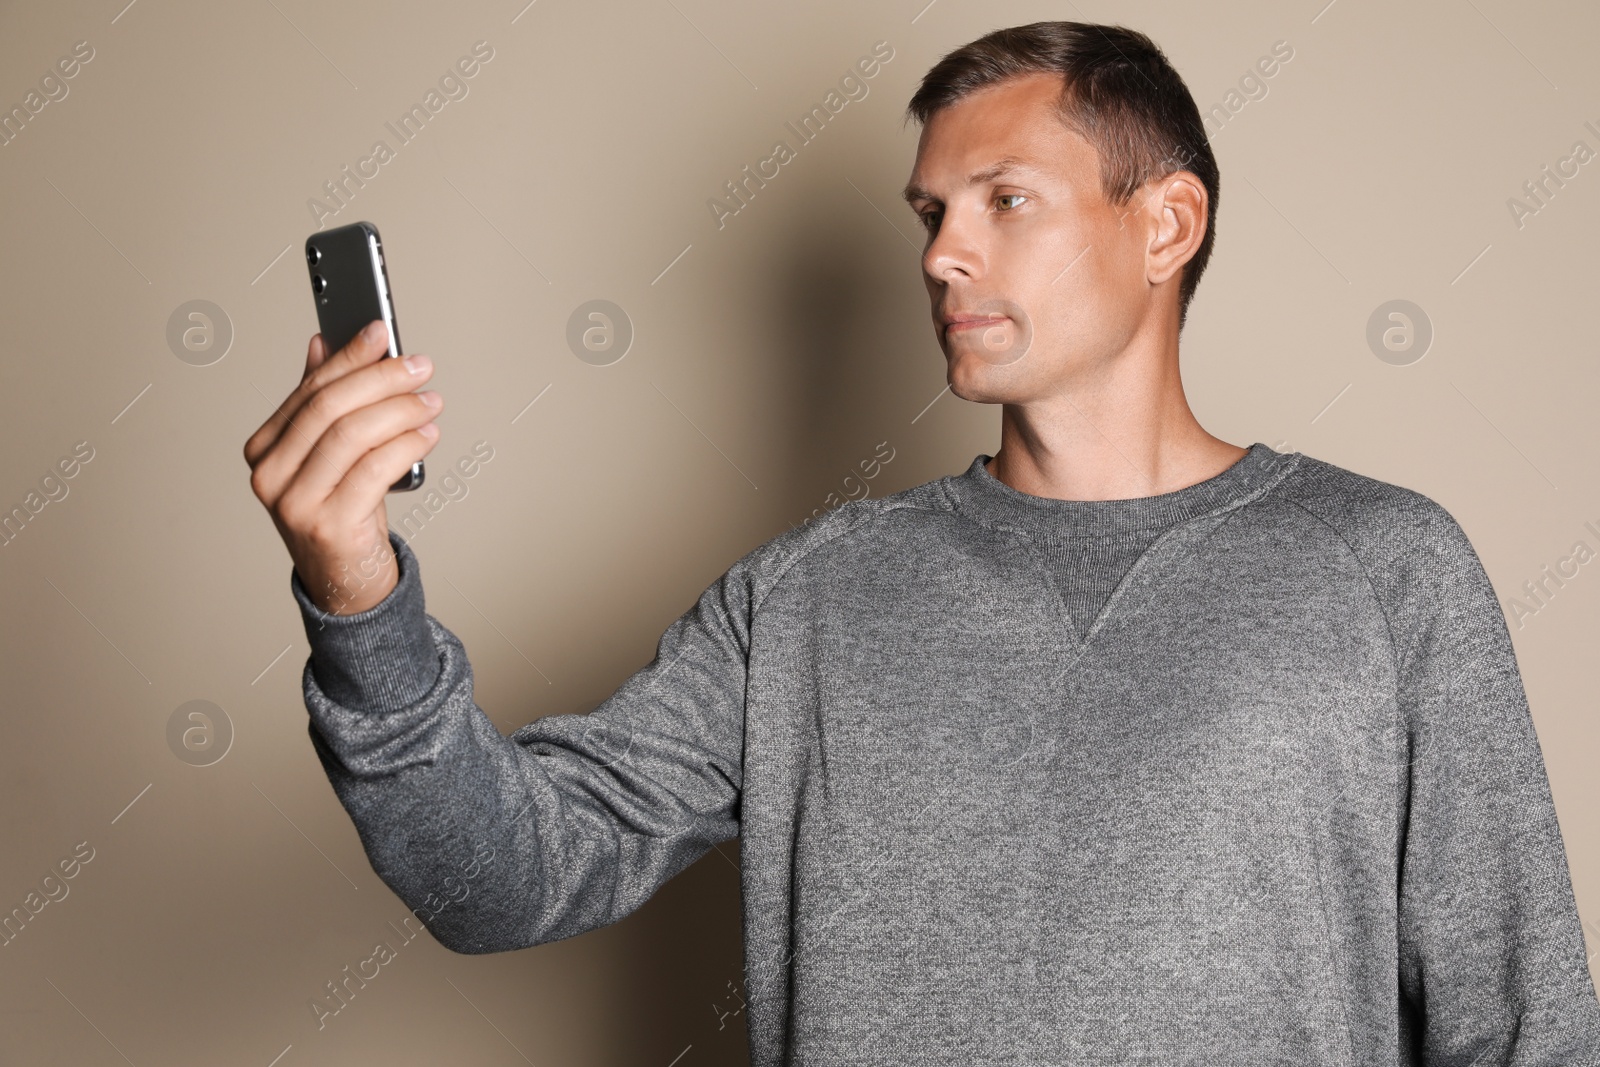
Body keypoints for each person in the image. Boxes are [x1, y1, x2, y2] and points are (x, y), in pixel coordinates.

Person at [243, 20, 1600, 1065]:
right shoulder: (808, 599)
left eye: (1005, 200)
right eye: (931, 216)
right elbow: (505, 876)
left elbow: (1527, 1024)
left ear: (1166, 223)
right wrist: (354, 590)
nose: (945, 254)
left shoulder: (1382, 568)